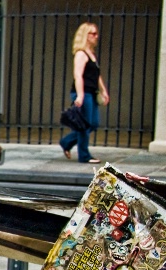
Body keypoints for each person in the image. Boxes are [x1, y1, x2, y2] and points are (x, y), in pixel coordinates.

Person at [59, 22, 109, 164]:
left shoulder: (91, 54)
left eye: (96, 33)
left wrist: (104, 91)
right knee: (85, 125)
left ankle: (66, 142)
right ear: (85, 36)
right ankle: (84, 155)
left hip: (91, 92)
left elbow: (97, 75)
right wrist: (80, 95)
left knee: (93, 123)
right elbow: (78, 75)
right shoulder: (81, 54)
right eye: (92, 33)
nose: (96, 36)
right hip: (83, 93)